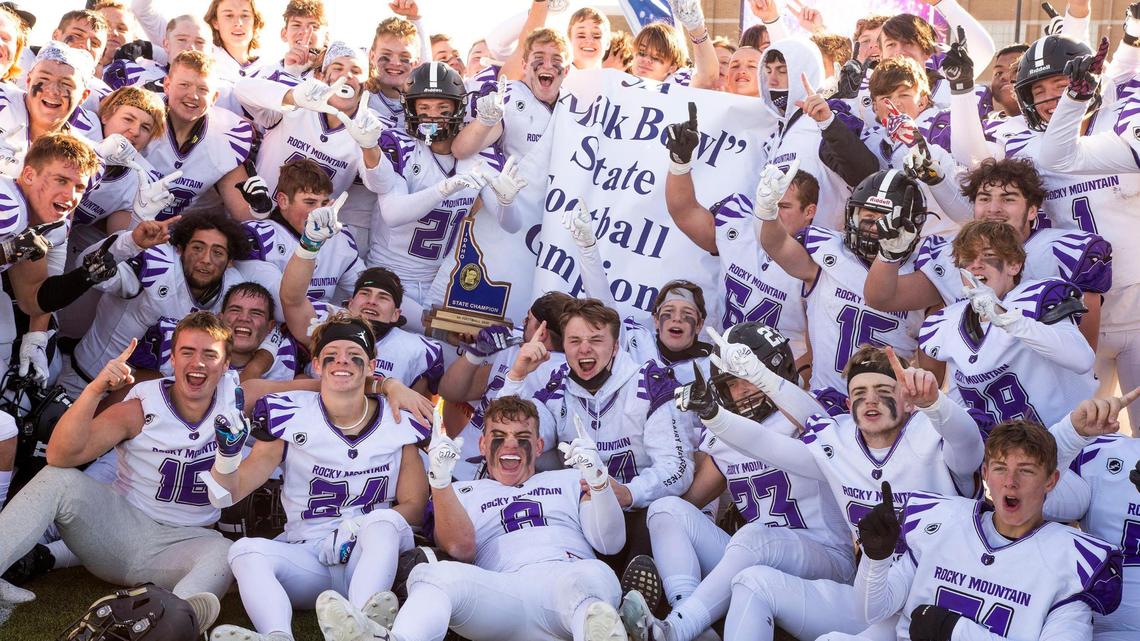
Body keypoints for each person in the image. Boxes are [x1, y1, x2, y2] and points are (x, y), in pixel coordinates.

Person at [0, 312, 294, 629]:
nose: (198, 362)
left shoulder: (238, 398)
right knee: (58, 479)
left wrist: (350, 380)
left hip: (182, 547)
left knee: (226, 552)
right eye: (188, 352)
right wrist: (95, 389)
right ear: (172, 358)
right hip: (118, 535)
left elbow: (319, 388)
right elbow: (59, 455)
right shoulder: (142, 406)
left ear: (225, 366)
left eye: (210, 354)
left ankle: (173, 624)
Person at [313, 395, 630, 641]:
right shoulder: (464, 489)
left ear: (539, 444)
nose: (509, 443)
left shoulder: (568, 479)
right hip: (505, 591)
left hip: (570, 578)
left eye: (521, 435)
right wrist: (440, 481)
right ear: (482, 443)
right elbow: (461, 548)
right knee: (431, 576)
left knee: (583, 586)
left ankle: (597, 628)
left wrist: (600, 482)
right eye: (499, 434)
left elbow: (611, 543)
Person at [207, 313, 429, 641]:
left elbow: (415, 506)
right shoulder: (290, 413)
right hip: (308, 553)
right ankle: (277, 635)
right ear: (316, 364)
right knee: (243, 551)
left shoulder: (398, 419)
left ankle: (360, 626)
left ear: (371, 366)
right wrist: (226, 458)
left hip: (369, 556)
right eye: (332, 355)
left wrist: (355, 527)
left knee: (381, 523)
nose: (343, 361)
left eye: (354, 355)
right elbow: (224, 496)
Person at [624, 323, 852, 641]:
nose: (743, 389)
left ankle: (677, 629)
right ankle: (688, 613)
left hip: (826, 557)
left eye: (750, 376)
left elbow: (814, 418)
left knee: (754, 536)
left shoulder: (811, 412)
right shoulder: (725, 433)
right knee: (667, 509)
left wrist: (767, 383)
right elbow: (690, 503)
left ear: (778, 370)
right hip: (753, 559)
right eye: (733, 382)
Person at [823, 420, 1126, 641]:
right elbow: (871, 612)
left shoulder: (1073, 561)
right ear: (984, 474)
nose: (1010, 481)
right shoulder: (940, 522)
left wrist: (956, 631)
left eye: (1026, 470)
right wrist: (876, 559)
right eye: (1000, 468)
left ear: (1050, 480)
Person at [367, 61, 526, 332]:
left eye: (443, 109)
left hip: (440, 280)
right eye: (424, 108)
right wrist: (445, 188)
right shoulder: (401, 146)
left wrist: (507, 203)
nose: (433, 117)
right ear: (411, 108)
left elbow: (510, 225)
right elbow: (393, 214)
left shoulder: (476, 157)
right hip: (386, 277)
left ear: (458, 109)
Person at [59, 210, 275, 398]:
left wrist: (255, 367)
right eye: (198, 248)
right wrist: (129, 242)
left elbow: (270, 331)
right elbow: (90, 269)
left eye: (217, 252)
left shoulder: (233, 287)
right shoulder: (158, 263)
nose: (206, 259)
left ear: (229, 261)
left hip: (157, 398)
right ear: (180, 248)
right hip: (86, 382)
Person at [758, 166, 928, 391]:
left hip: (887, 407)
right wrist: (768, 213)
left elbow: (929, 370)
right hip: (824, 400)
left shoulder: (924, 272)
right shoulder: (827, 252)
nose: (875, 225)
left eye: (887, 218)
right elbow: (777, 245)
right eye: (868, 215)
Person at [918, 220, 1097, 428]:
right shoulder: (947, 322)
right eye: (967, 259)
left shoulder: (1038, 297)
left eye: (988, 256)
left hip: (1065, 438)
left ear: (1014, 265)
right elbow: (961, 400)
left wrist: (1010, 320)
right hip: (1001, 452)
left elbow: (1082, 359)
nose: (976, 264)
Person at [142, 49, 255, 219]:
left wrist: (259, 211)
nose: (193, 95)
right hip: (128, 227)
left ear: (215, 97)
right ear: (167, 85)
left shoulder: (226, 135)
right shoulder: (141, 115)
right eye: (184, 85)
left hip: (185, 236)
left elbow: (244, 214)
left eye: (203, 89)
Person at [238, 159, 364, 306]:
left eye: (324, 203)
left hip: (324, 325)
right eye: (310, 202)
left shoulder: (340, 238)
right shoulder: (257, 236)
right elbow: (281, 307)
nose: (319, 211)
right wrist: (340, 318)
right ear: (283, 201)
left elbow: (368, 291)